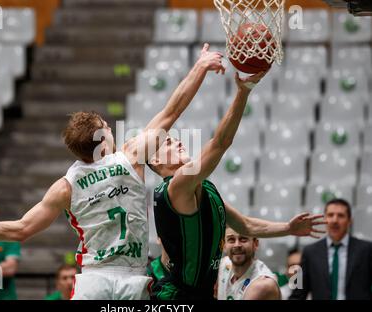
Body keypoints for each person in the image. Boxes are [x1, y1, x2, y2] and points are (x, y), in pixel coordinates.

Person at [0, 43, 225, 300]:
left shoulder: (65, 186)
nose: (111, 128)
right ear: (103, 139)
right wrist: (199, 67)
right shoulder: (131, 156)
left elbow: (19, 230)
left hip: (92, 280)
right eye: (107, 126)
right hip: (132, 278)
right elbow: (172, 110)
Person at [147, 70, 327, 300]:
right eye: (169, 143)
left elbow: (245, 225)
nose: (179, 141)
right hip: (178, 297)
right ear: (155, 160)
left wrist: (288, 228)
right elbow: (220, 143)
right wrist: (243, 91)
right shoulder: (175, 186)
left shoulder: (205, 187)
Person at [290, 198, 372, 300]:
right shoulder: (309, 252)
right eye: (330, 215)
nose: (334, 220)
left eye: (341, 215)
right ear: (325, 219)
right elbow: (297, 293)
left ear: (350, 221)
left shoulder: (367, 250)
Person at [216, 227, 280, 300]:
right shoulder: (222, 265)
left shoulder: (263, 284)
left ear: (255, 244)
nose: (237, 245)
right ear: (224, 245)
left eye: (243, 239)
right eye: (231, 239)